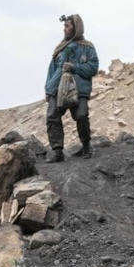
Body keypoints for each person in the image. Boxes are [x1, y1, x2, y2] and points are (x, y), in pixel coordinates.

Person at [44, 14, 99, 162]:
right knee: (52, 116)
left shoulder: (88, 47)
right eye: (64, 26)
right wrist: (48, 90)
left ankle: (86, 146)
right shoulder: (60, 49)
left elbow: (93, 67)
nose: (65, 29)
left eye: (67, 26)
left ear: (76, 28)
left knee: (81, 115)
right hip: (57, 88)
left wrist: (75, 67)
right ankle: (57, 152)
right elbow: (51, 70)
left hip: (78, 88)